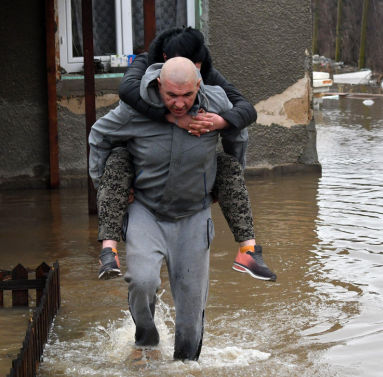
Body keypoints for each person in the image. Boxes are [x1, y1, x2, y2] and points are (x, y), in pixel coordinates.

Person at [89, 57, 244, 360]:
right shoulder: (135, 109)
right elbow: (99, 136)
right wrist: (108, 190)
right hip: (146, 211)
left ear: (198, 85)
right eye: (171, 95)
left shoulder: (216, 103)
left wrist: (224, 181)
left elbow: (238, 135)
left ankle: (186, 364)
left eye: (187, 95)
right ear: (159, 85)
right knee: (142, 281)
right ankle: (146, 342)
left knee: (190, 311)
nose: (179, 103)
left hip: (194, 214)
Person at [96, 27, 276, 282]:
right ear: (164, 64)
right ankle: (108, 249)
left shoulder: (210, 84)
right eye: (172, 92)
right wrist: (171, 117)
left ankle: (248, 250)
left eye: (196, 69)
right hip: (143, 177)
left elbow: (245, 111)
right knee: (116, 162)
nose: (187, 74)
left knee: (228, 166)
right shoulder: (146, 67)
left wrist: (220, 122)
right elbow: (126, 91)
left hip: (193, 193)